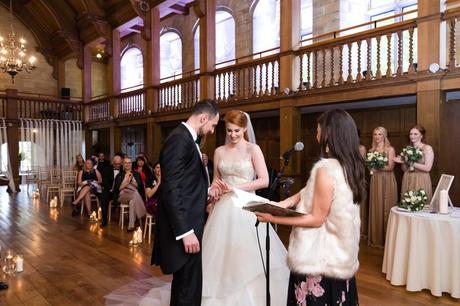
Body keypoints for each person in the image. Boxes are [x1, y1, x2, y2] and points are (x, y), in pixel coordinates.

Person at [255, 109, 366, 306]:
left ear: (328, 134)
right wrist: (284, 203)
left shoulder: (325, 170)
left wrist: (273, 218)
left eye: (318, 131)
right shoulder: (350, 166)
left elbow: (316, 219)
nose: (316, 135)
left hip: (318, 259)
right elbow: (310, 190)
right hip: (340, 255)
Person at [201, 110, 289, 305]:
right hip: (222, 208)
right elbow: (216, 179)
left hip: (246, 205)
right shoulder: (219, 151)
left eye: (237, 131)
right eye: (230, 130)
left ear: (245, 128)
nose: (233, 135)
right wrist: (213, 190)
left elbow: (264, 181)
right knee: (220, 253)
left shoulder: (253, 149)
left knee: (246, 252)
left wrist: (234, 188)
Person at [152, 99, 220, 306]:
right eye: (213, 125)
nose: (211, 130)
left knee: (188, 283)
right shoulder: (179, 140)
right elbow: (170, 189)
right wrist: (185, 232)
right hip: (185, 227)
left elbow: (185, 185)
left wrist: (207, 192)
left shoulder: (188, 140)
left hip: (191, 221)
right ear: (203, 118)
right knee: (186, 286)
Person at [367, 127, 397, 248]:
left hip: (387, 179)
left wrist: (376, 167)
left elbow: (390, 167)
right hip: (375, 180)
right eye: (375, 134)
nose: (377, 136)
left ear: (384, 135)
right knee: (376, 206)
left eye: (380, 134)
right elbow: (369, 166)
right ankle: (377, 239)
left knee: (387, 205)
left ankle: (388, 240)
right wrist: (371, 168)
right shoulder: (371, 150)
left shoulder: (390, 149)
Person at [394, 125, 434, 202]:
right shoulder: (407, 149)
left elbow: (428, 168)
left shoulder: (427, 148)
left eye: (415, 134)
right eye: (411, 134)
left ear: (421, 135)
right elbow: (404, 169)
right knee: (407, 205)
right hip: (408, 178)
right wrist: (403, 162)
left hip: (421, 179)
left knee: (420, 204)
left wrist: (409, 162)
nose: (412, 136)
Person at [113, 157, 146, 231]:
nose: (127, 164)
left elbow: (140, 188)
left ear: (131, 164)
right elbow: (117, 189)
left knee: (132, 201)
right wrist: (127, 182)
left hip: (133, 194)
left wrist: (133, 182)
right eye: (125, 162)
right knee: (135, 194)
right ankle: (143, 213)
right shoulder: (120, 175)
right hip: (123, 195)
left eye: (129, 163)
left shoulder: (136, 174)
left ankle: (131, 225)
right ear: (123, 164)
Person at [100, 153, 124, 228]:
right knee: (104, 196)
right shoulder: (106, 169)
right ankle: (104, 220)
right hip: (110, 190)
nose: (117, 165)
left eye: (119, 164)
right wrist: (110, 189)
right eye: (116, 164)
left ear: (121, 162)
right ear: (113, 162)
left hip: (121, 191)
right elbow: (105, 182)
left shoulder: (123, 169)